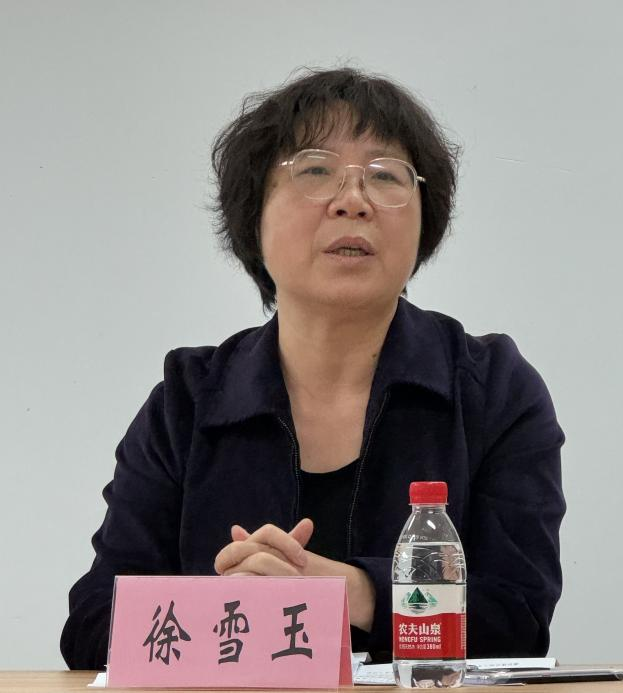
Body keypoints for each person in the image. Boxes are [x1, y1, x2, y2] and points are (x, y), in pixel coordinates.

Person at [60, 67, 566, 669]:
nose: (353, 201)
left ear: (424, 221)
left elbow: (520, 618)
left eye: (386, 176)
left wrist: (354, 592)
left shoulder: (493, 388)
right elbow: (91, 625)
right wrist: (232, 611)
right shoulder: (187, 400)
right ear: (253, 215)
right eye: (315, 170)